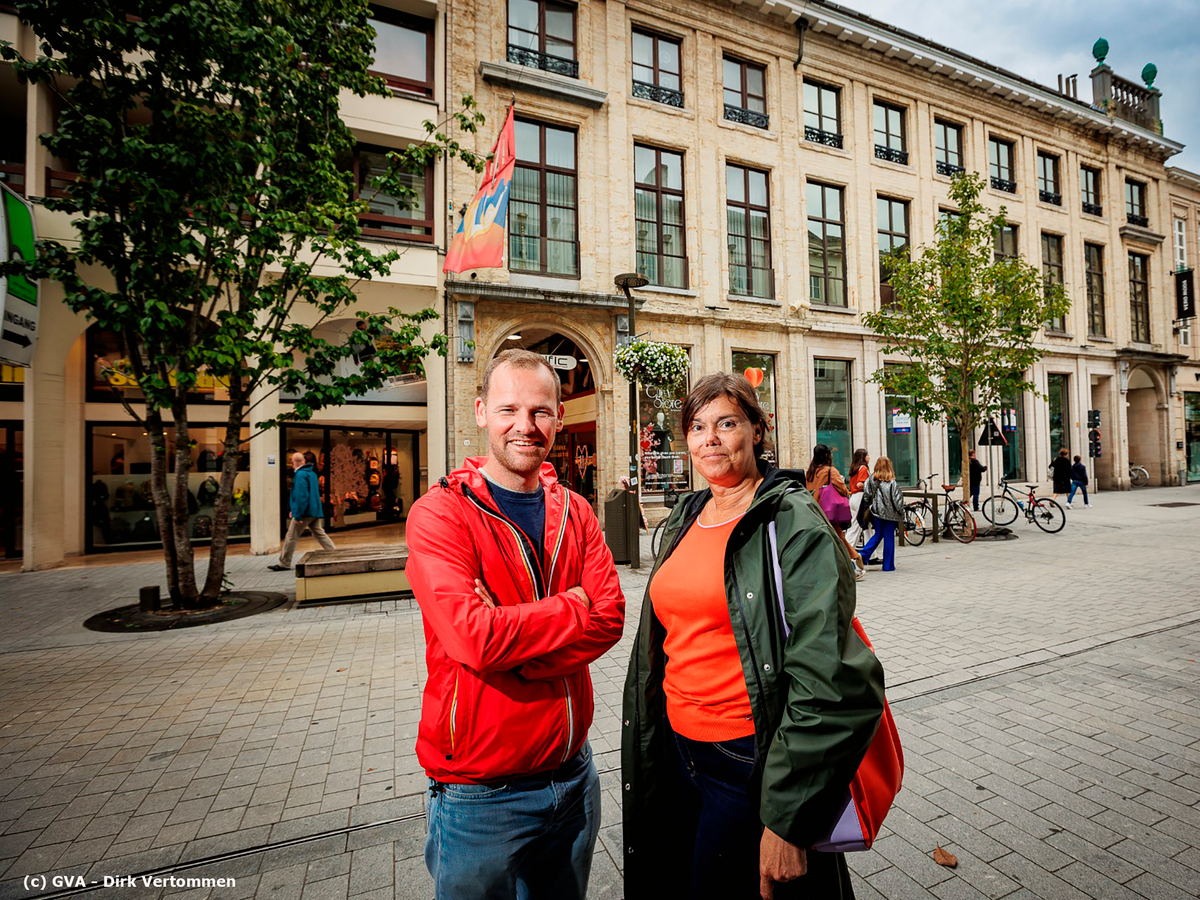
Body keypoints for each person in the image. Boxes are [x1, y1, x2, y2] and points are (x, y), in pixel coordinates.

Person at [622, 373, 885, 900]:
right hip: (679, 751)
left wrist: (788, 817)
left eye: (726, 423)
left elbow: (831, 680)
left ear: (759, 432)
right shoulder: (687, 514)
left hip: (746, 762)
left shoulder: (792, 522)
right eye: (696, 426)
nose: (709, 439)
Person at [406, 349, 626, 900]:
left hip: (574, 778)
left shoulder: (576, 510)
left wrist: (514, 643)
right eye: (508, 409)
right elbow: (473, 638)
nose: (525, 426)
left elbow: (612, 619)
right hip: (480, 798)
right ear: (481, 412)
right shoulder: (440, 514)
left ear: (558, 416)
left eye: (541, 411)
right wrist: (573, 607)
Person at [806, 444, 865, 580]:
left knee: (827, 538)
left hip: (812, 509)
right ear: (827, 455)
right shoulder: (830, 471)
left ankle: (852, 562)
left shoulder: (810, 471)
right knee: (839, 537)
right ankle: (853, 561)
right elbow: (843, 488)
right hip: (827, 510)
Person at [269, 452, 335, 571]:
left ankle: (284, 563)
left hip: (305, 512)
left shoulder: (300, 475)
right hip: (314, 510)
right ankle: (335, 554)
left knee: (291, 536)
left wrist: (297, 515)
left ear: (295, 462)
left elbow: (301, 497)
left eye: (292, 462)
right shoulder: (313, 474)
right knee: (320, 533)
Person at [859, 457, 906, 573]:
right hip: (890, 514)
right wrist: (901, 512)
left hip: (876, 512)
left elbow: (866, 496)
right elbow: (897, 501)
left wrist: (872, 505)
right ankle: (888, 565)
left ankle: (862, 555)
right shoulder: (892, 483)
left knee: (878, 535)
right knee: (889, 537)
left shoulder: (870, 480)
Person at [845, 448, 872, 549]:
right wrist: (870, 485)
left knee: (863, 525)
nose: (869, 457)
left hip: (853, 497)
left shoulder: (854, 468)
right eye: (867, 455)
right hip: (861, 497)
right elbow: (860, 484)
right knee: (858, 526)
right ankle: (848, 550)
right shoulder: (863, 468)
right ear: (863, 457)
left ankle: (871, 553)